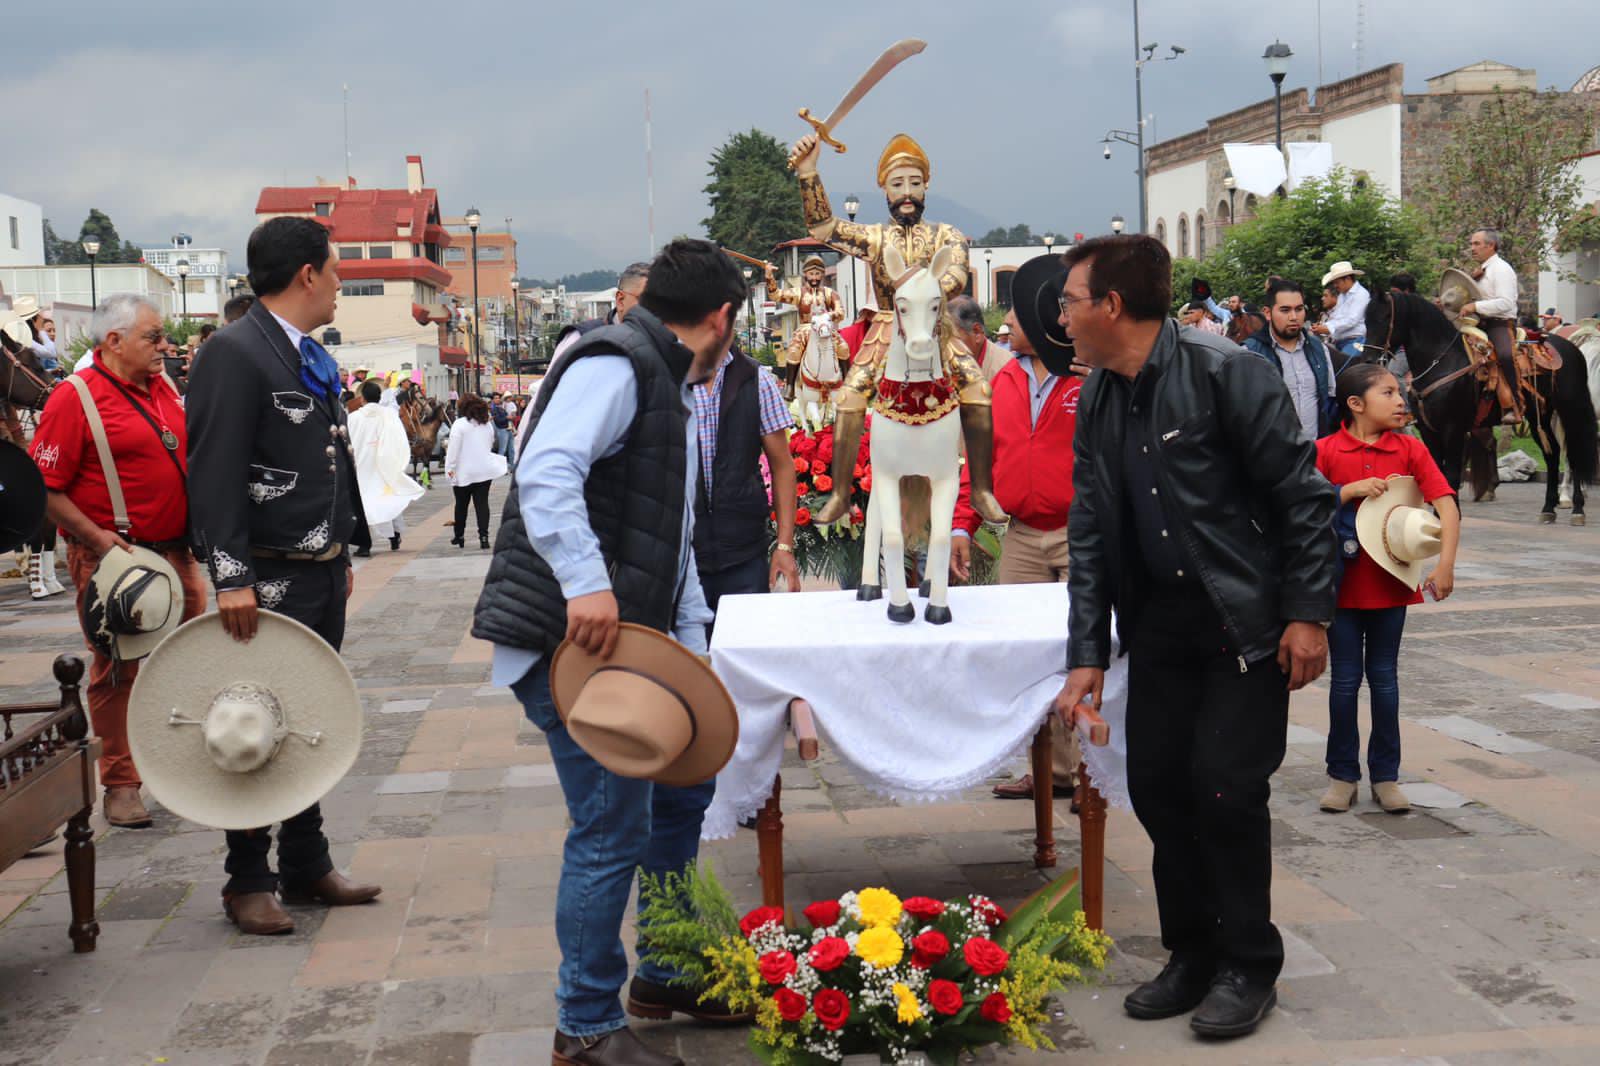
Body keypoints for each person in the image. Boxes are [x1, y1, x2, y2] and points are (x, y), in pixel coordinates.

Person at [1052, 234, 1337, 1039]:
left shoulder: (1226, 372)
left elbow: (1304, 499)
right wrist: (1086, 655)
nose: (1061, 317)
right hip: (1161, 625)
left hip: (1242, 623)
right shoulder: (1101, 395)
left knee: (1225, 789)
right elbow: (1090, 531)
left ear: (1110, 305)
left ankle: (1249, 963)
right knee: (1161, 791)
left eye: (1071, 300)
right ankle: (1191, 953)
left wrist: (1309, 614)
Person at [473, 239, 748, 1066]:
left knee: (680, 795)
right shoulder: (620, 362)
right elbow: (548, 468)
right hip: (575, 646)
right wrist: (586, 582)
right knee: (609, 826)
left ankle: (663, 971)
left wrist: (694, 655)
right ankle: (584, 1027)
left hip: (628, 646)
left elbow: (677, 536)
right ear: (723, 318)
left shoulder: (663, 378)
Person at [187, 216, 381, 937]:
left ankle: (306, 860)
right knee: (255, 716)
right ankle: (247, 878)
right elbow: (214, 472)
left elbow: (329, 460)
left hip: (318, 567)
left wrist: (342, 548)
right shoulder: (234, 354)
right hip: (263, 578)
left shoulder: (304, 353)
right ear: (306, 274)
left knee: (310, 717)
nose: (338, 285)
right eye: (334, 271)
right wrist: (230, 576)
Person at [27, 293, 209, 828]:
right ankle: (122, 783)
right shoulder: (74, 398)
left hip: (176, 553)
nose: (165, 346)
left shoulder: (165, 389)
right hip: (115, 560)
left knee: (187, 657)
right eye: (153, 337)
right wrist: (98, 538)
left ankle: (180, 762)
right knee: (118, 669)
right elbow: (43, 487)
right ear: (114, 341)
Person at [790, 130, 1003, 526]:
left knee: (977, 387)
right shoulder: (875, 237)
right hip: (887, 328)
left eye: (914, 183)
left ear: (926, 186)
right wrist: (809, 173)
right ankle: (838, 493)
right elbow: (823, 229)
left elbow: (956, 273)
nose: (907, 192)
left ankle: (981, 490)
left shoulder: (948, 235)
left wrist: (923, 295)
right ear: (885, 191)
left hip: (935, 327)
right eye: (898, 184)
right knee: (850, 396)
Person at [950, 276, 1083, 803]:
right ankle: (1048, 770)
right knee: (1027, 658)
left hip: (1080, 535)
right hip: (1023, 536)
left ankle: (1087, 773)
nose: (1006, 325)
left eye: (1017, 318)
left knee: (1082, 651)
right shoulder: (1000, 383)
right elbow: (978, 466)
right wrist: (964, 524)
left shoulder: (1086, 381)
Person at [1315, 363, 1458, 816]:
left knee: (1384, 680)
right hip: (1339, 587)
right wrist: (1346, 490)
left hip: (1392, 585)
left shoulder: (1411, 449)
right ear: (1356, 404)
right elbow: (1299, 507)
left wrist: (1445, 564)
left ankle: (1385, 775)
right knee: (1342, 683)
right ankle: (1342, 775)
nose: (1401, 401)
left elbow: (1446, 506)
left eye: (1401, 392)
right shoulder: (1324, 450)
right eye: (1389, 393)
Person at [692, 337, 800, 618]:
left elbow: (783, 467)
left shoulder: (754, 378)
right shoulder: (665, 378)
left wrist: (784, 545)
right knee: (688, 659)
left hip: (745, 553)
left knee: (746, 649)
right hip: (682, 559)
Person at [1241, 278, 1338, 441]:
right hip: (1270, 454)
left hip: (1314, 452)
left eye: (1299, 309)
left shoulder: (1319, 350)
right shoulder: (1249, 354)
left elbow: (1328, 399)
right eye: (1285, 310)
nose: (1294, 317)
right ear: (1267, 313)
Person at [348, 378, 423, 553]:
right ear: (380, 397)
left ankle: (364, 544)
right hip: (385, 463)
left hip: (362, 464)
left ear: (362, 398)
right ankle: (394, 535)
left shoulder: (353, 418)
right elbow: (399, 438)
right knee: (388, 497)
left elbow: (348, 441)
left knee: (364, 502)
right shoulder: (389, 415)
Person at [1460, 228, 1522, 424]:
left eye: (1476, 244)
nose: (1472, 248)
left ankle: (1515, 405)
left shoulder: (1502, 269)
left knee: (1504, 355)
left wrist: (1474, 306)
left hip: (1500, 324)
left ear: (1491, 245)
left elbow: (1506, 303)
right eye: (1471, 244)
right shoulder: (1481, 270)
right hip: (1479, 324)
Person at [765, 255, 848, 399]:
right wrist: (769, 276)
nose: (814, 278)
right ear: (806, 274)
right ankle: (790, 386)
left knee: (843, 347)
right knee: (793, 351)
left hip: (826, 328)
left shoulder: (830, 293)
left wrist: (830, 316)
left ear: (822, 274)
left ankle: (848, 384)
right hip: (806, 328)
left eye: (817, 274)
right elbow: (776, 296)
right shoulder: (798, 292)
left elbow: (841, 312)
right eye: (811, 274)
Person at [445, 394, 504, 549]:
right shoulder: (486, 424)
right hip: (484, 470)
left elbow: (453, 450)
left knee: (461, 504)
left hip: (464, 471)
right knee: (482, 504)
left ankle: (459, 535)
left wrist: (449, 469)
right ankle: (483, 537)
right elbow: (491, 443)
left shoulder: (459, 424)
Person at [1311, 261, 1370, 368]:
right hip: (1340, 342)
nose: (1335, 285)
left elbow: (1352, 320)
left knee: (1344, 369)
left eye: (1337, 282)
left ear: (1347, 279)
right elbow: (1337, 318)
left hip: (1356, 341)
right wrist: (1323, 328)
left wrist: (1327, 327)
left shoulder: (1361, 294)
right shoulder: (1343, 296)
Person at [949, 295, 1013, 383]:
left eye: (950, 339)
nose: (944, 347)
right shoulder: (948, 368)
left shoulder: (1006, 369)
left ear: (977, 332)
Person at [489, 391, 515, 460]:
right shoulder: (493, 409)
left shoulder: (502, 407)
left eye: (498, 398)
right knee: (502, 450)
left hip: (508, 429)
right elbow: (498, 421)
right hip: (502, 430)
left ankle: (512, 466)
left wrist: (510, 418)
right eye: (496, 398)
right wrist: (507, 417)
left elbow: (509, 417)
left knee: (511, 449)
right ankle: (500, 468)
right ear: (493, 400)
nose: (498, 399)